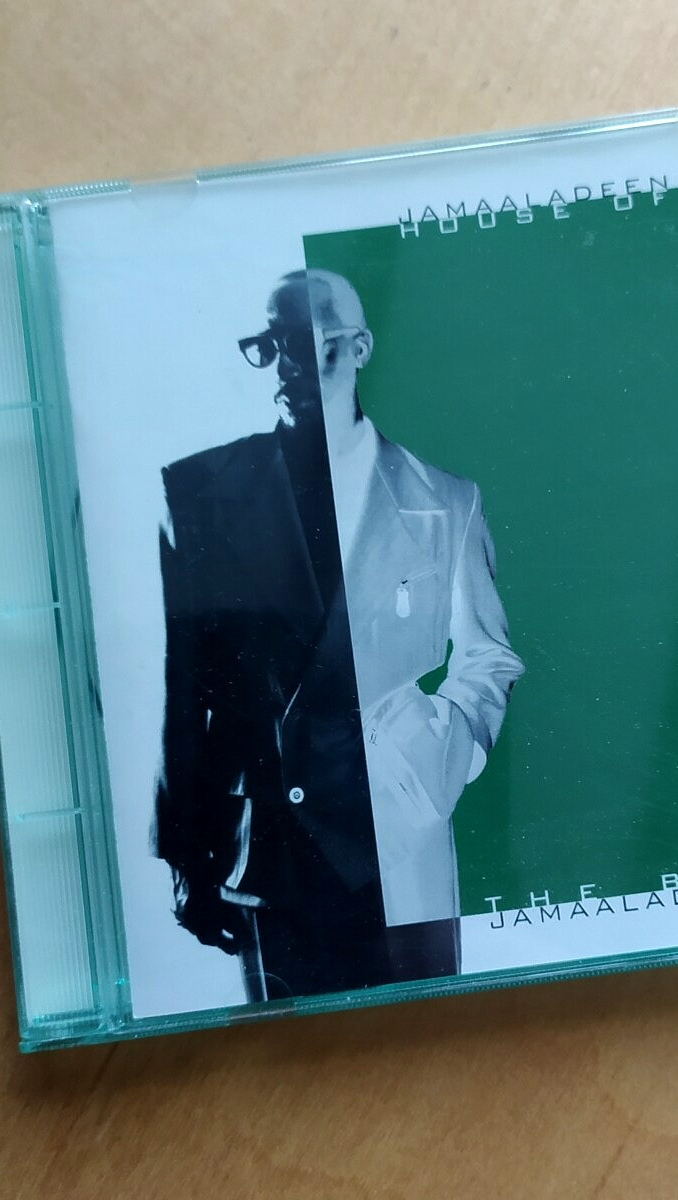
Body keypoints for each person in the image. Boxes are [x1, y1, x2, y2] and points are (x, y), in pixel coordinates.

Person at [154, 268, 523, 1000]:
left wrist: (438, 760)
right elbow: (183, 688)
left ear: (359, 347)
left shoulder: (446, 500)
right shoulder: (198, 493)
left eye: (305, 344)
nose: (284, 366)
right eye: (269, 346)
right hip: (264, 852)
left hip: (399, 837)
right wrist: (185, 857)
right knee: (298, 1054)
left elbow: (487, 656)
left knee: (429, 1039)